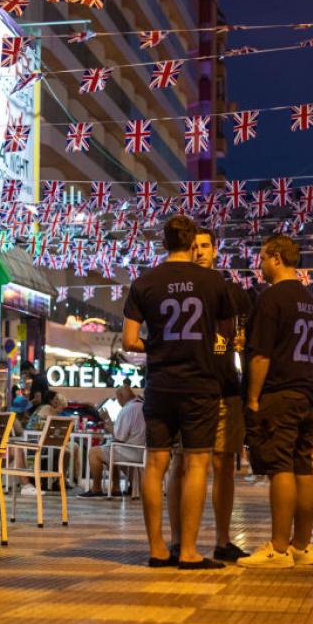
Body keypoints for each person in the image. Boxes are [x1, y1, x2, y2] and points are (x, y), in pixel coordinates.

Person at [122, 214, 234, 570]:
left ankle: (157, 549)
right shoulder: (214, 282)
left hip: (160, 384)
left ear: (164, 243)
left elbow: (129, 341)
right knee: (198, 463)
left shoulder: (144, 282)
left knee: (155, 464)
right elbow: (225, 333)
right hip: (201, 384)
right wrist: (205, 348)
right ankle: (188, 551)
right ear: (191, 244)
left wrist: (157, 346)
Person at [166, 227, 252, 563]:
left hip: (225, 388)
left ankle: (222, 539)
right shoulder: (175, 288)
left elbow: (237, 338)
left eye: (205, 246)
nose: (200, 251)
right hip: (186, 387)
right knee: (180, 462)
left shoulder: (231, 291)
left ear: (216, 250)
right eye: (194, 246)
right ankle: (178, 540)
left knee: (223, 464)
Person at [238, 235, 313, 569]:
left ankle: (278, 548)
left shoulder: (271, 299)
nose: (260, 265)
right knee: (304, 467)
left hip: (279, 392)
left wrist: (253, 398)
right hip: (308, 390)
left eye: (262, 257)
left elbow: (261, 355)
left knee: (280, 468)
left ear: (276, 257)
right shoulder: (309, 299)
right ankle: (302, 546)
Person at [80, 386, 145, 498]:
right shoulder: (142, 406)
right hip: (142, 451)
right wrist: (108, 421)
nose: (118, 402)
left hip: (131, 451)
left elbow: (119, 437)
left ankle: (96, 488)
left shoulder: (128, 409)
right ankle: (116, 488)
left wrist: (106, 420)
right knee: (109, 450)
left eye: (118, 399)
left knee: (94, 452)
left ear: (121, 397)